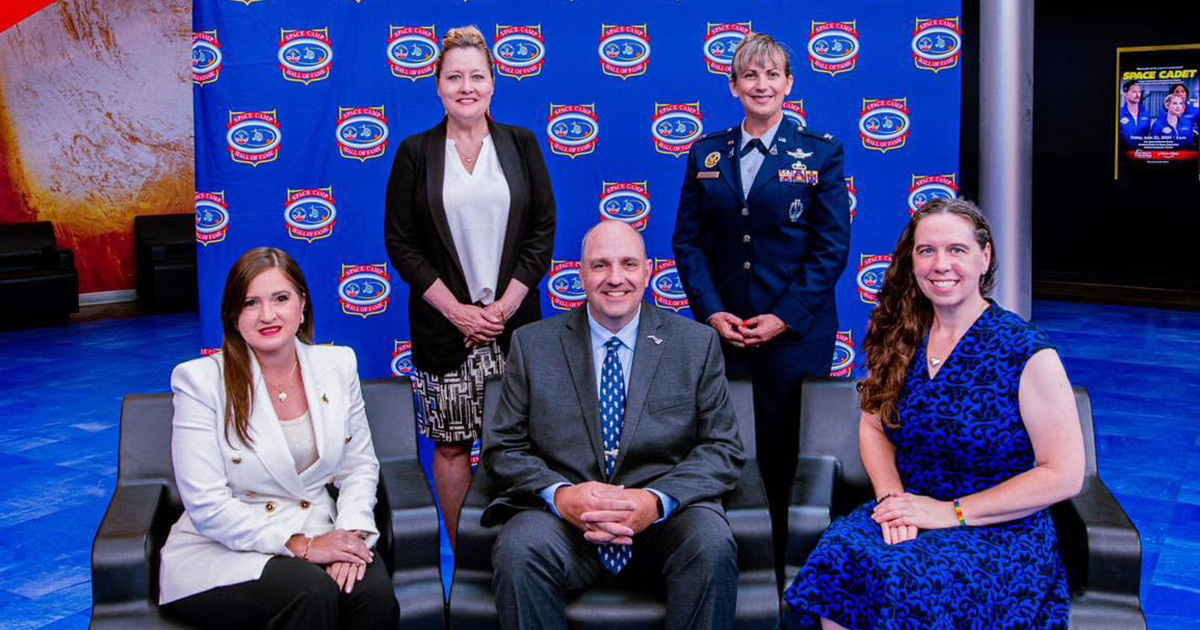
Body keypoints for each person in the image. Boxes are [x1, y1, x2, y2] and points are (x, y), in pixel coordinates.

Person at [784, 199, 1085, 629]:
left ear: (985, 257)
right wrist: (892, 500)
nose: (940, 264)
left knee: (902, 580)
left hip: (998, 532)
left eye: (956, 250)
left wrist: (950, 513)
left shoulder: (1026, 350)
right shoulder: (902, 332)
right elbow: (873, 425)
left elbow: (1065, 473)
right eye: (926, 250)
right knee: (839, 554)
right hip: (911, 512)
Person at [483, 220, 746, 630]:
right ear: (581, 274)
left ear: (647, 273)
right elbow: (503, 449)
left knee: (710, 543)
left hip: (663, 524)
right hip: (565, 525)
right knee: (519, 548)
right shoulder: (533, 344)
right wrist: (562, 496)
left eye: (628, 264)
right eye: (600, 265)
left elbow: (722, 448)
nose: (615, 278)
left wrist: (656, 501)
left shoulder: (694, 344)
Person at [672, 31, 851, 586]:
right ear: (733, 86)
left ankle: (787, 579)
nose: (762, 84)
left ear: (789, 84)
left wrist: (784, 316)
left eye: (772, 74)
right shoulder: (705, 152)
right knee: (724, 454)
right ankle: (724, 568)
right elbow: (688, 242)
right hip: (723, 335)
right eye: (750, 74)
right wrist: (711, 312)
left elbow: (831, 247)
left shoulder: (821, 151)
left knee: (784, 460)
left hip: (796, 338)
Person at [159, 247, 398, 629]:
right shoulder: (199, 382)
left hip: (322, 527)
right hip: (224, 549)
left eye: (281, 299)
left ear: (302, 305)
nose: (267, 315)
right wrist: (302, 546)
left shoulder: (338, 365)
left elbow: (359, 466)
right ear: (234, 316)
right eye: (251, 303)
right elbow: (207, 505)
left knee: (372, 595)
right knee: (311, 592)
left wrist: (348, 536)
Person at [385, 25, 556, 549]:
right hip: (447, 331)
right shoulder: (415, 153)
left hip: (514, 329)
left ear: (493, 83)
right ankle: (466, 557)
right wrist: (458, 311)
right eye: (454, 76)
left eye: (476, 76)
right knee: (454, 445)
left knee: (525, 445)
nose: (466, 86)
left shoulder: (521, 144)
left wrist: (502, 309)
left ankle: (525, 548)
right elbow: (401, 241)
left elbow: (542, 230)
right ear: (437, 84)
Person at [1118, 79, 1151, 145]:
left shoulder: (1146, 115)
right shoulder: (1119, 114)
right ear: (1125, 94)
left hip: (1142, 154)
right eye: (1134, 92)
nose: (1137, 95)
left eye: (1139, 92)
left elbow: (1148, 136)